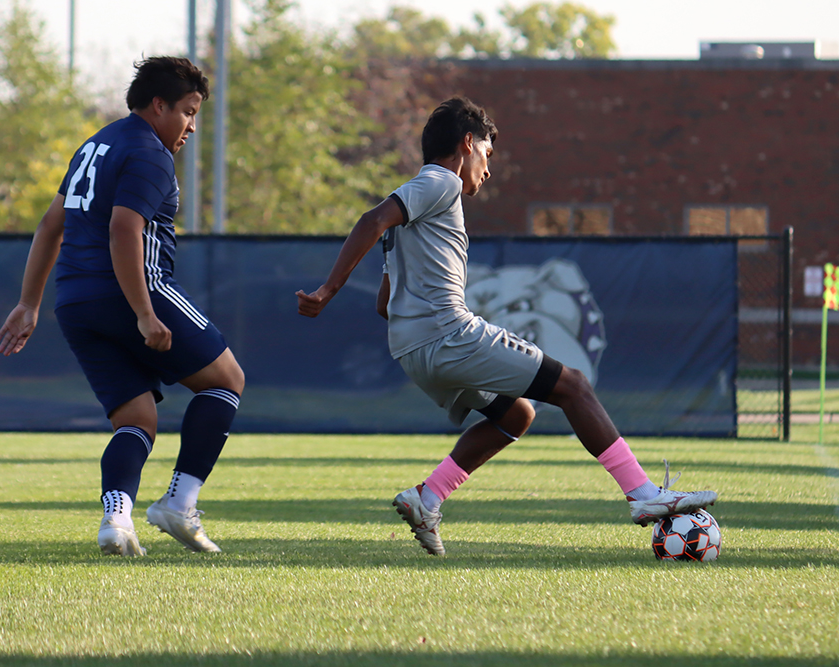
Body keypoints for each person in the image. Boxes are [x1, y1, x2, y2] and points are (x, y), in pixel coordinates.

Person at [297, 97, 717, 556]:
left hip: (412, 352)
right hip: (447, 335)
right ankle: (643, 495)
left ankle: (428, 497)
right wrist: (327, 290)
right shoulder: (440, 183)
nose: (488, 170)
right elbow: (371, 219)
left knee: (516, 414)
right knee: (573, 385)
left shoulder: (413, 220)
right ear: (467, 143)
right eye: (487, 155)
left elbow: (385, 303)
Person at [0, 56, 245, 556]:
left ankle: (116, 519)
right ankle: (180, 503)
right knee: (226, 381)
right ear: (158, 106)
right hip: (134, 291)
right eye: (189, 112)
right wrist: (145, 313)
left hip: (75, 302)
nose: (192, 126)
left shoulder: (95, 144)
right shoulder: (149, 152)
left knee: (135, 419)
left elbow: (51, 224)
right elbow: (125, 229)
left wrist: (29, 302)